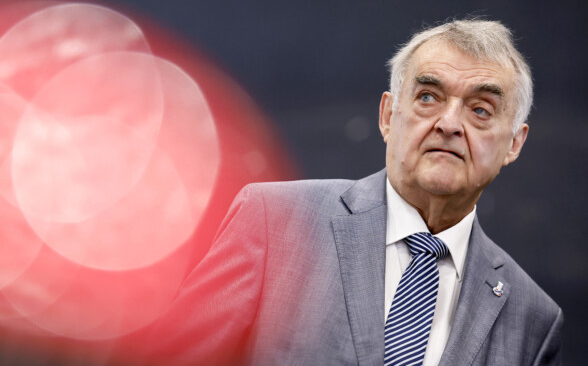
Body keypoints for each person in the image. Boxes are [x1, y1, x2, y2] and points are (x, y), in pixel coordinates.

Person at [147, 19, 562, 365]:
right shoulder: (275, 222)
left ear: (514, 143)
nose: (449, 124)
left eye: (480, 110)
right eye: (428, 97)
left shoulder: (534, 319)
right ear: (387, 116)